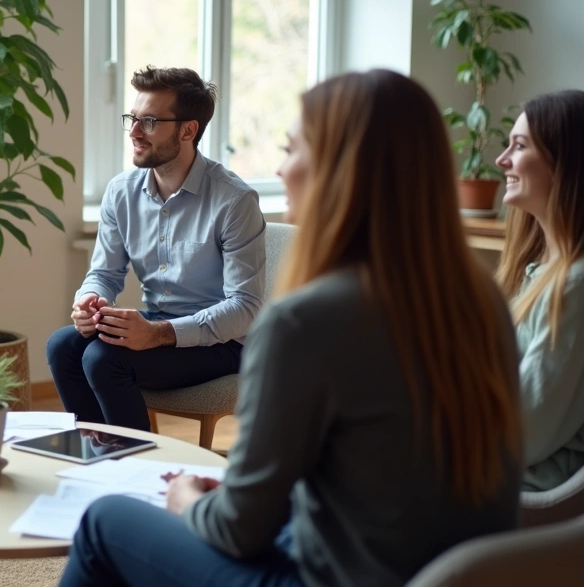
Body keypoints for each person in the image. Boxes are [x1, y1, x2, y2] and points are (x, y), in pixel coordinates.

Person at [60, 70, 523, 587]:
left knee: (105, 522)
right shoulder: (484, 302)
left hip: (325, 577)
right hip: (434, 571)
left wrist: (184, 496)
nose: (280, 169)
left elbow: (238, 531)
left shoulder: (305, 322)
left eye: (290, 150)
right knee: (71, 347)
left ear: (340, 169)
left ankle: (131, 481)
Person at [47, 66, 265, 431]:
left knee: (103, 359)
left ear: (188, 130)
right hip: (158, 319)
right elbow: (104, 273)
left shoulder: (234, 201)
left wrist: (159, 333)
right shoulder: (121, 192)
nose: (134, 132)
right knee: (62, 346)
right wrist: (90, 300)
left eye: (148, 122)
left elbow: (245, 308)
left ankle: (139, 460)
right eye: (132, 118)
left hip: (225, 343)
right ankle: (98, 454)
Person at [495, 90, 584, 492]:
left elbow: (523, 433)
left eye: (519, 146)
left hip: (525, 491)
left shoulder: (574, 286)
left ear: (564, 163)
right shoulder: (539, 271)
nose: (502, 160)